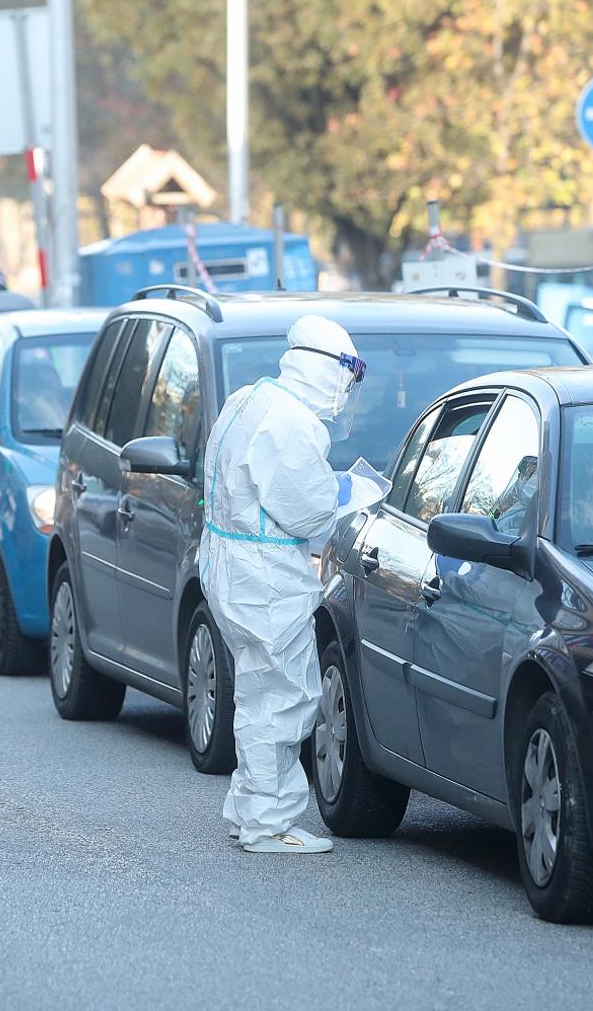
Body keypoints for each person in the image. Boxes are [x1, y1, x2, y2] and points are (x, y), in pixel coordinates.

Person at [200, 314, 367, 854]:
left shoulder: (250, 399)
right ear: (329, 371)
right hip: (264, 575)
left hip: (230, 562)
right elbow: (309, 509)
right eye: (348, 378)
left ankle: (249, 807)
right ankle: (268, 823)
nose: (346, 393)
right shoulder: (292, 422)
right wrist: (350, 492)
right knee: (287, 695)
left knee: (256, 691)